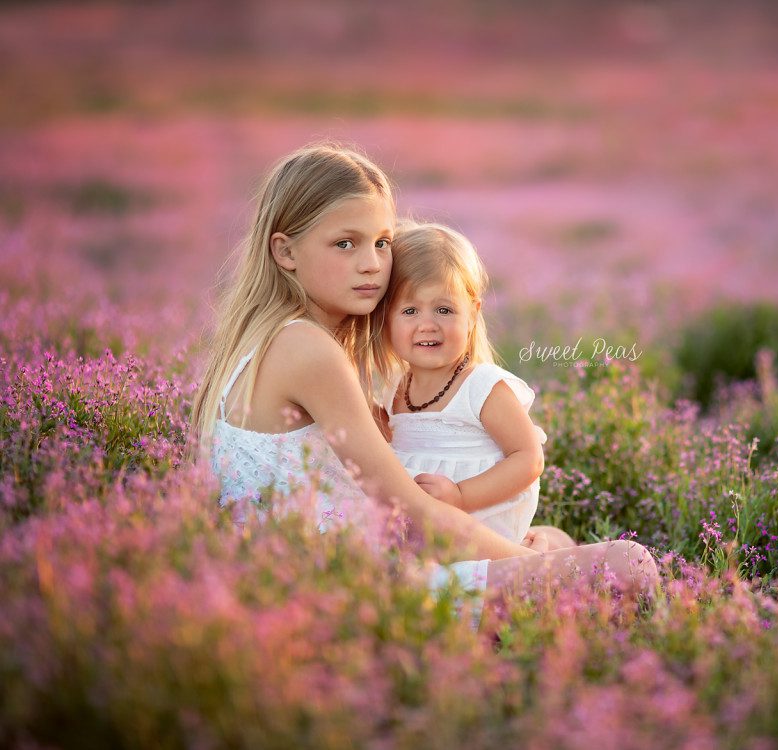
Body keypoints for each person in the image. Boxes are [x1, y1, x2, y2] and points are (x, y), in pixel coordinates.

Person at [190, 142, 658, 630]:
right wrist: (522, 563)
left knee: (556, 537)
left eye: (382, 242)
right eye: (345, 244)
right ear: (285, 251)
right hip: (358, 597)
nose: (372, 264)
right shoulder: (308, 350)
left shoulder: (270, 339)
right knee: (628, 564)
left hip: (322, 578)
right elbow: (411, 509)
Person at [381, 221, 575, 550]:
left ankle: (556, 547)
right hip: (422, 538)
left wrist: (460, 496)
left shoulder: (481, 387)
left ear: (472, 314)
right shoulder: (392, 390)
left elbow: (528, 458)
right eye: (410, 310)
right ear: (385, 317)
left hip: (485, 532)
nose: (427, 325)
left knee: (543, 555)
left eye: (444, 310)